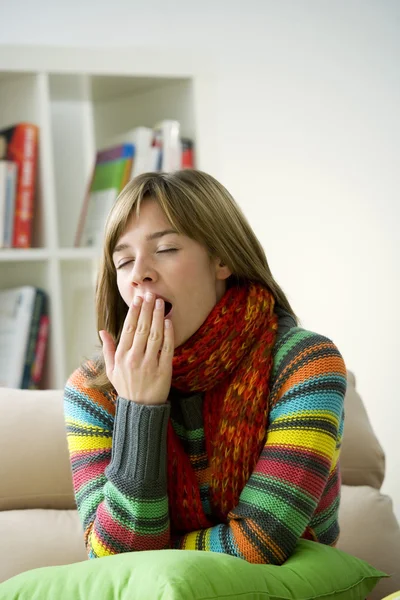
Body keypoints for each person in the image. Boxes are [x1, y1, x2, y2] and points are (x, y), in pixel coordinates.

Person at [64, 169, 347, 565]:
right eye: (124, 261)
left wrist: (160, 552)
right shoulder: (93, 392)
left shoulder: (306, 364)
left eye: (165, 249)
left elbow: (260, 545)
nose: (139, 273)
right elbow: (112, 562)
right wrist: (138, 409)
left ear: (223, 259)